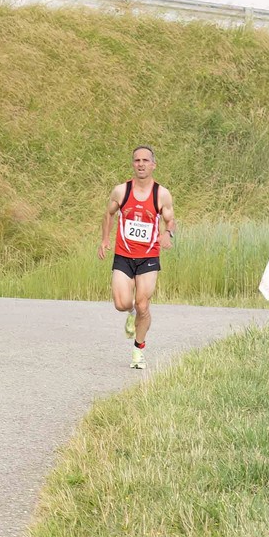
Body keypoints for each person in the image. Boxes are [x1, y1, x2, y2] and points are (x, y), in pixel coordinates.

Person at [101, 144, 173, 370]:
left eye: (145, 160)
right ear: (133, 164)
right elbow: (109, 214)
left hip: (149, 257)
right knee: (121, 303)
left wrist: (167, 233)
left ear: (153, 165)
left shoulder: (161, 194)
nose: (141, 164)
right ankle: (130, 313)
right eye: (137, 160)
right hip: (123, 254)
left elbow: (170, 219)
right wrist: (104, 239)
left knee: (143, 305)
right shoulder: (121, 191)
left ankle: (138, 350)